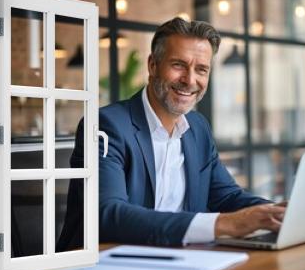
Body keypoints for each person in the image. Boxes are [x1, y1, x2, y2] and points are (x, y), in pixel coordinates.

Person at [56, 17, 285, 251]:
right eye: (178, 65)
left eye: (201, 69)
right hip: (106, 266)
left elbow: (226, 197)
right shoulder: (106, 125)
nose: (190, 80)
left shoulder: (198, 128)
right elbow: (107, 214)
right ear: (153, 65)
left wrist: (279, 213)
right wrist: (224, 224)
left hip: (181, 260)